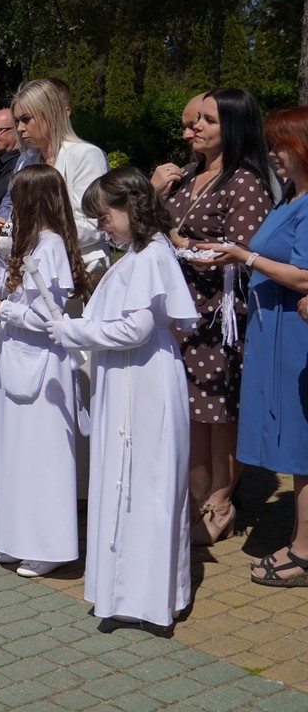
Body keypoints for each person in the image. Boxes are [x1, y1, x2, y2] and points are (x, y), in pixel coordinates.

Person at [49, 166, 197, 630]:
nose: (101, 225)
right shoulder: (138, 251)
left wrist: (73, 330)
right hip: (131, 375)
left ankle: (149, 597)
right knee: (124, 478)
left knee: (144, 481)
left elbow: (136, 328)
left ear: (131, 206)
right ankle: (124, 589)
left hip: (144, 378)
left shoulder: (153, 256)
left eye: (105, 214)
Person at [156, 88, 273, 546]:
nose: (194, 128)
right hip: (179, 312)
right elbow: (146, 229)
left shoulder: (245, 182)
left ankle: (221, 500)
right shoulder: (184, 176)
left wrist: (180, 243)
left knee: (219, 412)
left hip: (217, 313)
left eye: (207, 120)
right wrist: (152, 192)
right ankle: (195, 492)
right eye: (193, 120)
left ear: (234, 128)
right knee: (190, 409)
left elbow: (242, 253)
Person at [198, 106, 308, 586]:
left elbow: (304, 274)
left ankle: (304, 552)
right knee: (293, 444)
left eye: (281, 145)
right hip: (273, 333)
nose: (274, 155)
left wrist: (245, 255)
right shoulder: (290, 198)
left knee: (304, 446)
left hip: (297, 335)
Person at [0, 165, 89, 577]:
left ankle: (50, 543)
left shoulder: (52, 246)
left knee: (43, 454)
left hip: (43, 364)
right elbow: (12, 292)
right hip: (16, 358)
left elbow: (48, 317)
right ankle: (14, 535)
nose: (9, 205)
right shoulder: (30, 243)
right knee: (14, 451)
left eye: (15, 197)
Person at [0, 78, 109, 270]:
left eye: (26, 119)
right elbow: (15, 217)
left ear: (52, 114)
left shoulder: (85, 155)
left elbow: (96, 225)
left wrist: (36, 231)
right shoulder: (26, 161)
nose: (19, 128)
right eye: (17, 121)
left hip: (81, 268)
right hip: (35, 267)